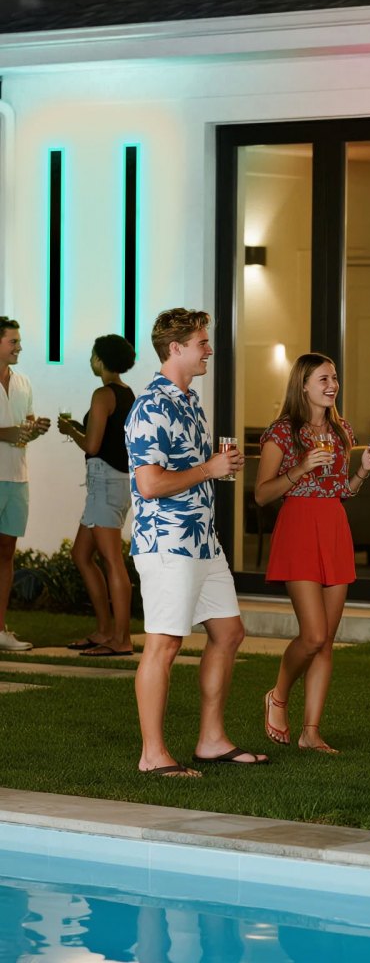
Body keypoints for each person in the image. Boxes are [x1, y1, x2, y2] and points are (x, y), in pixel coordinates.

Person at [126, 308, 267, 778]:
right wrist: (209, 468)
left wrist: (216, 466)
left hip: (203, 541)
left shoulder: (190, 401)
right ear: (176, 348)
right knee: (164, 643)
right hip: (167, 543)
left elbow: (188, 469)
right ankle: (152, 754)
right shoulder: (151, 406)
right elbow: (149, 484)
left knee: (229, 632)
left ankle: (211, 740)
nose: (209, 350)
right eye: (201, 343)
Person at [256, 353, 370, 754]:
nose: (332, 385)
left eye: (335, 378)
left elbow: (342, 490)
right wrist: (301, 468)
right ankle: (278, 695)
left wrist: (363, 471)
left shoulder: (342, 430)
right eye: (323, 379)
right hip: (298, 528)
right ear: (303, 385)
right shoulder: (282, 432)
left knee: (326, 640)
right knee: (312, 635)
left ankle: (311, 732)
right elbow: (261, 494)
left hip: (333, 527)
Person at [58, 334, 137, 656]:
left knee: (111, 560)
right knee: (81, 554)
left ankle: (121, 639)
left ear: (102, 360)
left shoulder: (103, 394)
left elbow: (92, 445)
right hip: (113, 482)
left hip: (105, 481)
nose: (91, 360)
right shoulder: (126, 393)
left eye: (93, 355)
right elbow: (107, 439)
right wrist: (80, 429)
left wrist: (70, 430)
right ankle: (104, 630)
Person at [0, 316, 50, 652]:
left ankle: (0, 629)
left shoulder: (23, 382)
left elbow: (25, 425)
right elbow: (9, 431)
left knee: (6, 554)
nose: (19, 347)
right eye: (13, 341)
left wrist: (35, 428)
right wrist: (8, 433)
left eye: (18, 341)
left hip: (18, 478)